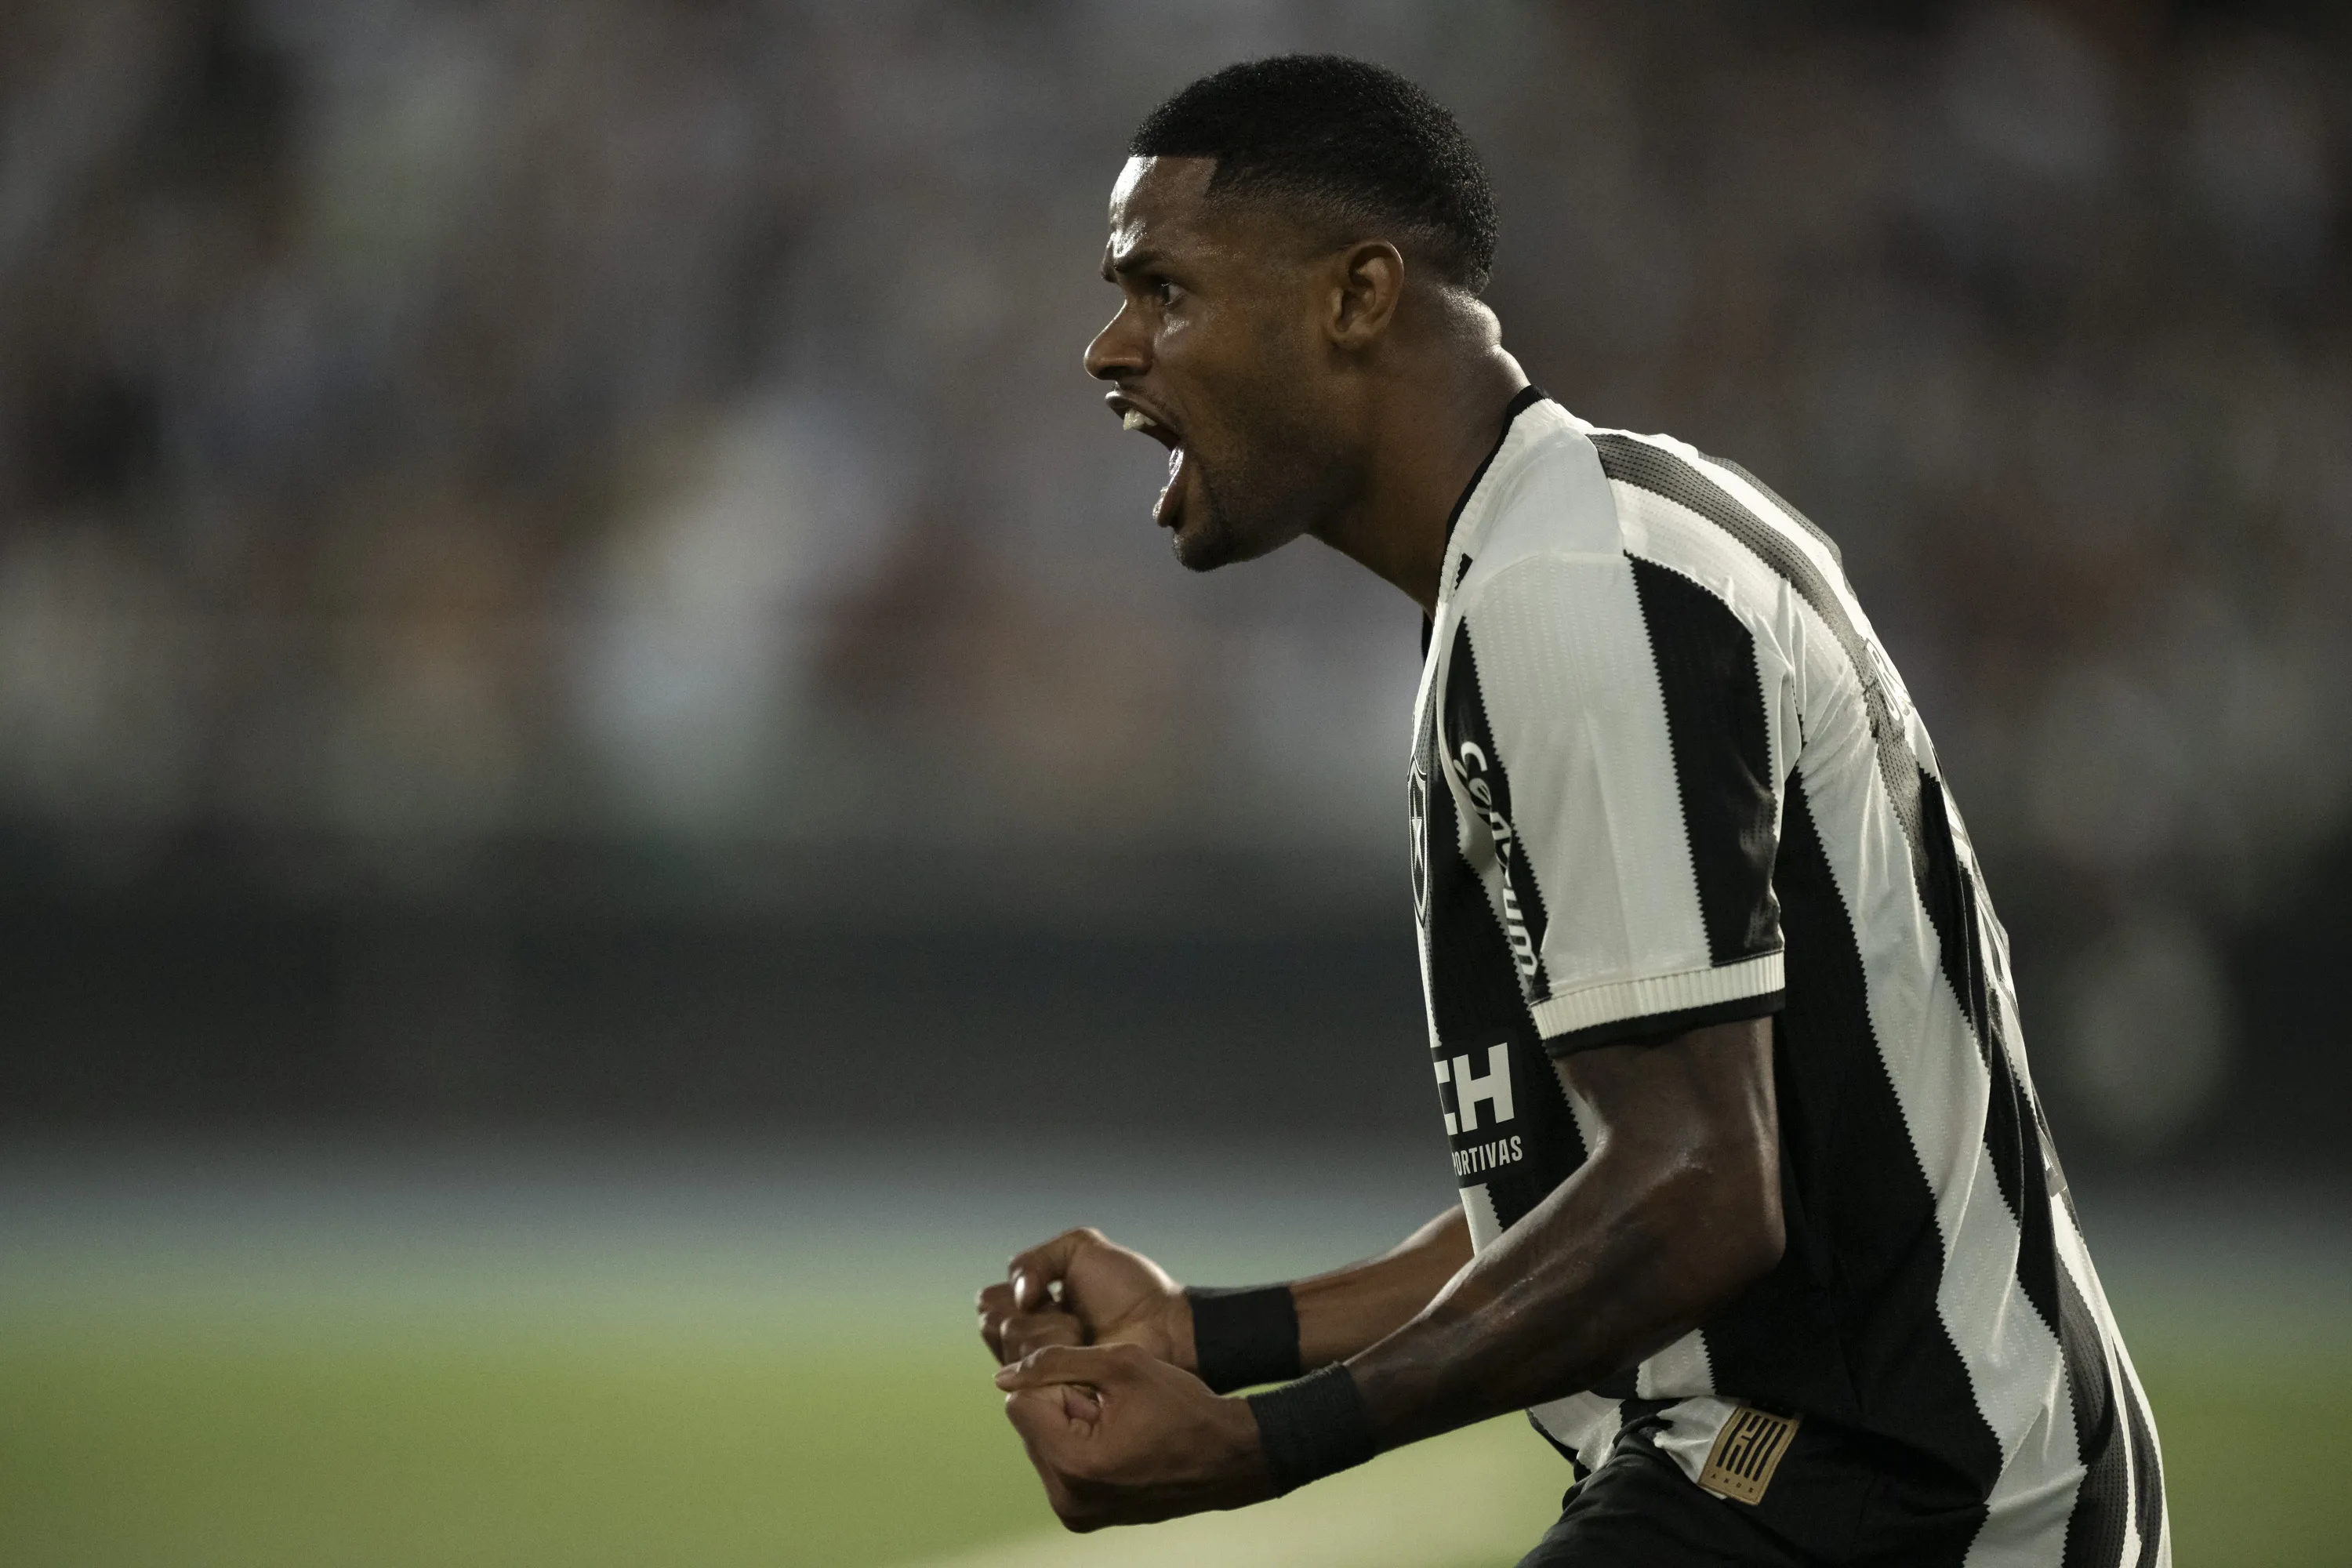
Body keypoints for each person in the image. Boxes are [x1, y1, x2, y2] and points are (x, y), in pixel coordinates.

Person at [975, 54, 2168, 1567]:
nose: (1108, 347)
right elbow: (1606, 1181)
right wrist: (1217, 1334)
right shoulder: (1572, 546)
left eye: (1164, 290)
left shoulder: (1566, 597)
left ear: (1355, 296)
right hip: (1855, 1469)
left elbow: (1702, 1196)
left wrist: (1270, 1442)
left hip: (1888, 1494)